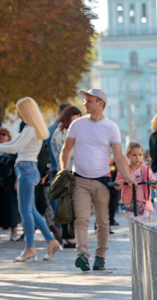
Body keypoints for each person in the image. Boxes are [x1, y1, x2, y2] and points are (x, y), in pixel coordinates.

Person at [60, 88, 136, 271]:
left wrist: (128, 177)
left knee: (102, 221)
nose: (84, 103)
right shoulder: (77, 125)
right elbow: (66, 149)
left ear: (100, 103)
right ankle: (82, 255)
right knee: (81, 219)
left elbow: (118, 156)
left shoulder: (111, 127)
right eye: (85, 100)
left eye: (89, 100)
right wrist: (63, 172)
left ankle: (100, 256)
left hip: (103, 181)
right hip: (80, 180)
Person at [0, 97, 61, 262]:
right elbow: (14, 143)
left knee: (25, 211)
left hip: (26, 169)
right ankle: (50, 240)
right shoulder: (30, 128)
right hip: (26, 169)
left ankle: (30, 247)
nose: (18, 114)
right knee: (30, 210)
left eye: (20, 110)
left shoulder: (31, 129)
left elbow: (14, 148)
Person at [49, 106, 82, 247]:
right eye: (75, 117)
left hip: (71, 172)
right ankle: (70, 237)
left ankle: (70, 236)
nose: (78, 120)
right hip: (67, 172)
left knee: (70, 206)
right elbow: (65, 153)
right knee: (68, 206)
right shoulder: (62, 132)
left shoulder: (62, 131)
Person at [115, 141, 156, 218]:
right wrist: (119, 182)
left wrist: (153, 183)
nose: (138, 157)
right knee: (133, 227)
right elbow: (117, 185)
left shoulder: (146, 169)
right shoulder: (124, 170)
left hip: (145, 205)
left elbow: (153, 182)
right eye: (134, 155)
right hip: (130, 205)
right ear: (128, 155)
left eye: (140, 155)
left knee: (144, 227)